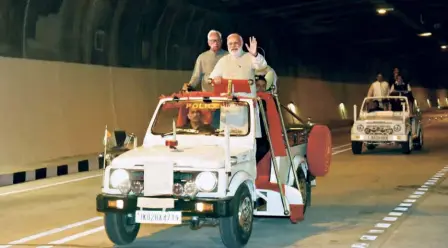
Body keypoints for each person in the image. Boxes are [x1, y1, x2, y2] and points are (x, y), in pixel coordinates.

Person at [209, 33, 268, 98]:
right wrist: (215, 79)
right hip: (227, 103)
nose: (233, 46)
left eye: (236, 43)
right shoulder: (223, 60)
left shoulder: (250, 56)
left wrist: (255, 55)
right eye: (230, 44)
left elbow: (262, 66)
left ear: (241, 44)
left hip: (246, 102)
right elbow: (211, 79)